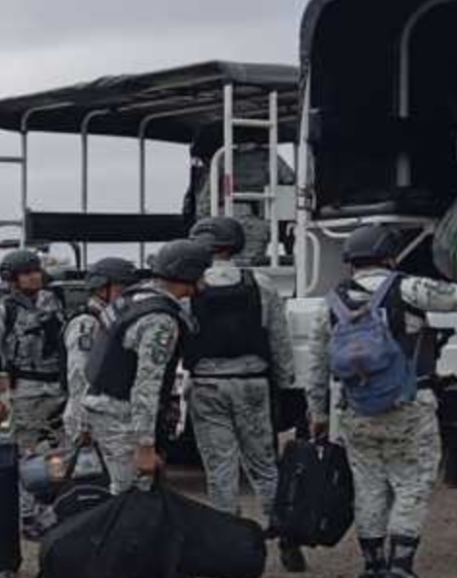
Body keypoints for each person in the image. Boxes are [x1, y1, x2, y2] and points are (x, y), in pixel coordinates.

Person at [308, 225, 457, 578]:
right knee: (411, 483)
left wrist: (317, 413)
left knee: (369, 485)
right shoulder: (409, 288)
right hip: (410, 404)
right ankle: (401, 566)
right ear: (390, 256)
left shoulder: (330, 303)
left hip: (356, 409)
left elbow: (318, 366)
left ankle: (373, 566)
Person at [186, 216, 305, 572]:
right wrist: (288, 386)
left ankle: (230, 544)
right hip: (253, 382)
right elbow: (279, 339)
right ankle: (285, 536)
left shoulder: (190, 286)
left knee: (220, 467)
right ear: (234, 243)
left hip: (206, 385)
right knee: (265, 466)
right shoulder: (261, 283)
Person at [82, 239, 210, 494]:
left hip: (102, 406)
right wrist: (145, 446)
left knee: (124, 494)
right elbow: (146, 386)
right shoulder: (161, 320)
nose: (203, 282)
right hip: (123, 416)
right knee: (132, 499)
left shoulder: (135, 297)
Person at [0, 249, 66, 535]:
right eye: (27, 272)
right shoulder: (2, 310)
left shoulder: (52, 301)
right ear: (13, 279)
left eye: (36, 270)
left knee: (57, 453)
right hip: (26, 389)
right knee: (27, 454)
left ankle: (50, 509)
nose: (35, 276)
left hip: (56, 385)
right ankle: (26, 514)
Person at [61, 257, 137, 446]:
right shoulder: (87, 322)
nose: (128, 295)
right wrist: (83, 422)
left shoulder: (111, 319)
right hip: (88, 413)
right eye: (122, 288)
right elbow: (79, 373)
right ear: (102, 288)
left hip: (106, 411)